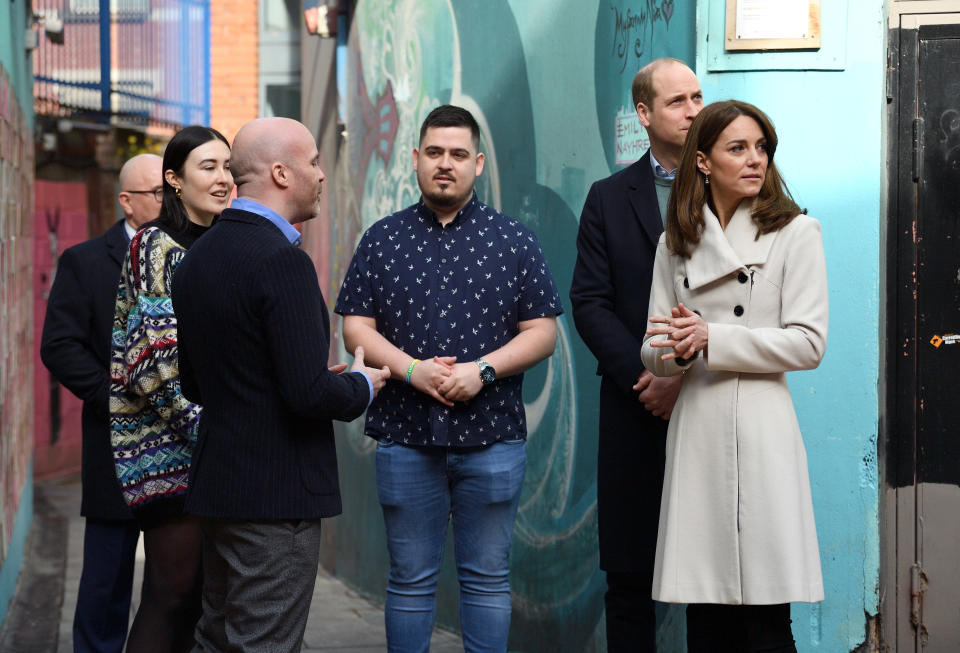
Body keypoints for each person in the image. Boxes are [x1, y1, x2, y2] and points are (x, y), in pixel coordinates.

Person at [335, 104, 562, 653]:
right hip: (406, 437)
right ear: (415, 159)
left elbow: (543, 332)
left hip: (493, 437)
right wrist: (411, 371)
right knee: (410, 582)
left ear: (478, 164)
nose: (445, 164)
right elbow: (354, 328)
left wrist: (481, 371)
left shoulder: (515, 240)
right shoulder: (382, 239)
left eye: (458, 154)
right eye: (434, 152)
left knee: (486, 581)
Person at [170, 117, 389, 653]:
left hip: (220, 488)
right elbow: (307, 395)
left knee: (216, 637)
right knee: (263, 643)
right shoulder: (281, 261)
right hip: (275, 500)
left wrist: (307, 379)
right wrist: (360, 384)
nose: (321, 174)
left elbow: (201, 384)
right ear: (281, 172)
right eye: (313, 162)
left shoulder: (197, 258)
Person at [641, 100, 828, 653]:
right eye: (738, 148)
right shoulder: (676, 242)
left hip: (763, 430)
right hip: (699, 429)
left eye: (762, 148)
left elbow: (809, 343)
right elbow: (652, 347)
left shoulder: (797, 232)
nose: (755, 160)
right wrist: (674, 351)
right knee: (706, 616)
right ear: (702, 161)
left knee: (767, 620)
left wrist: (712, 338)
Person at [569, 57, 703, 651]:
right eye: (678, 101)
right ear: (644, 114)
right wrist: (648, 379)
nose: (694, 110)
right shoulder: (607, 198)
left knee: (712, 580)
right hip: (633, 410)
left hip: (708, 404)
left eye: (698, 97)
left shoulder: (732, 188)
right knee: (629, 579)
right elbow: (590, 302)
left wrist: (683, 379)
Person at [110, 126, 233, 652]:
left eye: (228, 166)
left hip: (216, 447)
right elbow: (153, 361)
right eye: (208, 167)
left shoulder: (228, 244)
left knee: (206, 596)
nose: (224, 178)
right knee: (172, 591)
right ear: (174, 180)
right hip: (161, 446)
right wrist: (208, 427)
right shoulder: (154, 245)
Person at [40, 153, 161, 653]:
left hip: (184, 444)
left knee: (176, 581)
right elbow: (60, 346)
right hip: (114, 446)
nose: (167, 200)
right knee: (106, 580)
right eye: (157, 192)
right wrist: (112, 396)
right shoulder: (85, 261)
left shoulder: (195, 254)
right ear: (127, 201)